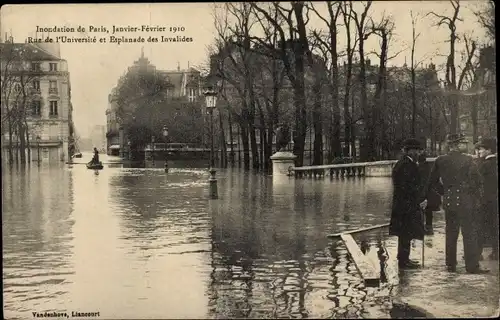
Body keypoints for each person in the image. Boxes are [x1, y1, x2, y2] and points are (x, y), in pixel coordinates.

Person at [426, 133, 488, 274]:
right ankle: (471, 266)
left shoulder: (440, 160)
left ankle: (451, 265)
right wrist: (473, 195)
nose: (464, 145)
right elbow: (477, 181)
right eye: (462, 143)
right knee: (469, 234)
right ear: (455, 145)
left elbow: (432, 183)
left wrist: (445, 192)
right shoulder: (468, 160)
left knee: (451, 233)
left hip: (449, 202)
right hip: (466, 202)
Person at [389, 138, 426, 269]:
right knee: (405, 233)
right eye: (415, 150)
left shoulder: (406, 163)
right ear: (408, 151)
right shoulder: (406, 165)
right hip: (405, 205)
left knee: (406, 233)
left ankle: (404, 258)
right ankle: (403, 261)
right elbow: (407, 187)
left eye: (418, 150)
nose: (418, 153)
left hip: (404, 204)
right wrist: (419, 200)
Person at [476, 137, 498, 260]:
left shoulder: (483, 165)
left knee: (479, 227)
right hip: (495, 201)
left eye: (481, 149)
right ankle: (496, 252)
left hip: (483, 201)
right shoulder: (494, 164)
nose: (479, 151)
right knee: (494, 226)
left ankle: (477, 253)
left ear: (489, 150)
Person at [418, 152, 443, 235]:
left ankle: (422, 228)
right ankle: (429, 228)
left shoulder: (418, 168)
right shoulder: (429, 168)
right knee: (429, 212)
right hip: (430, 193)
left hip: (422, 193)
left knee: (421, 210)